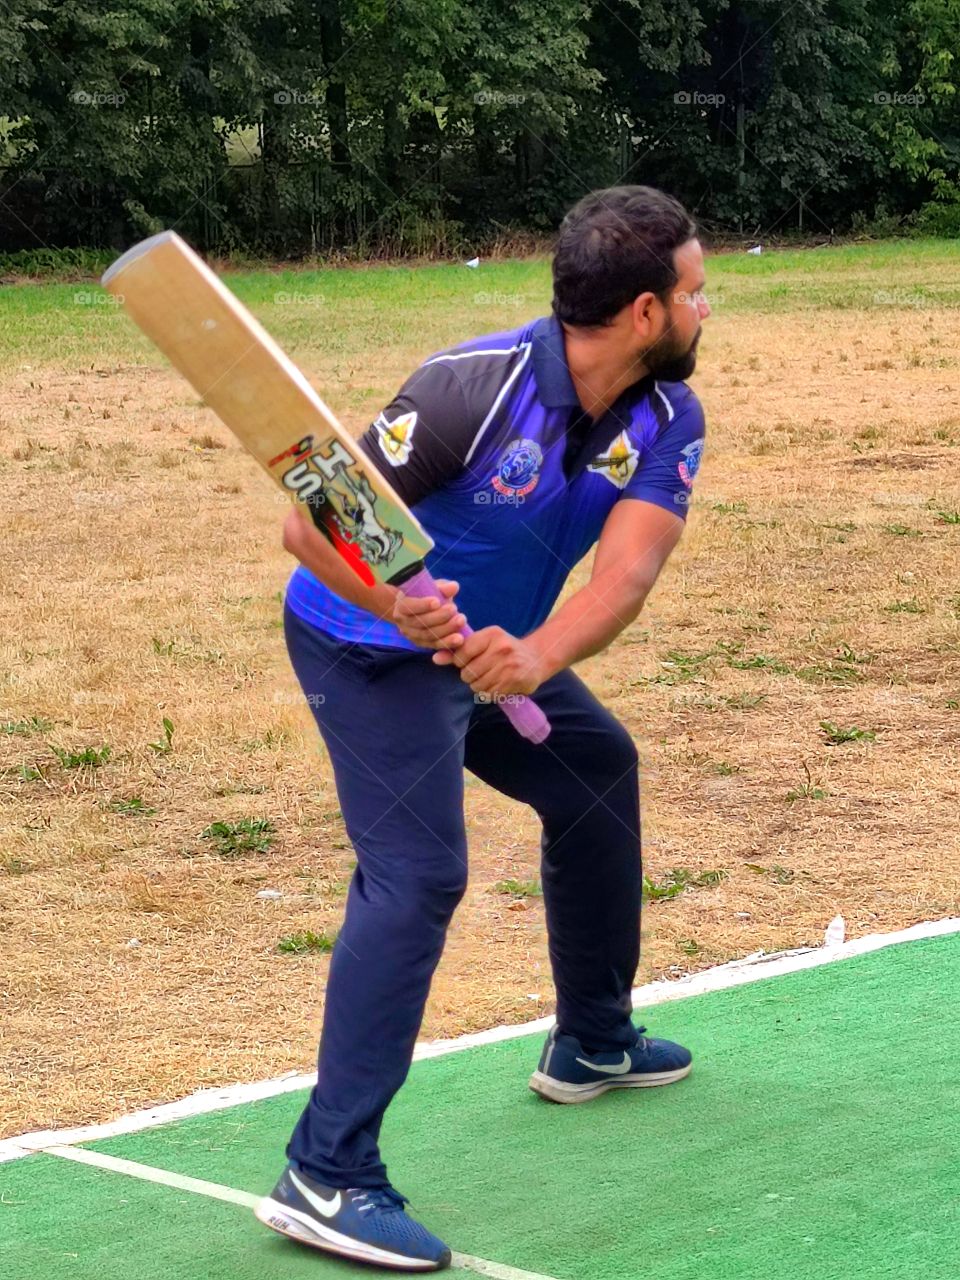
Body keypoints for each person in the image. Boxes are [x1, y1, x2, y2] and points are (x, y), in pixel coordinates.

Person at [255, 184, 710, 1272]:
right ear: (646, 311)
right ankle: (327, 1171)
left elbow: (626, 575)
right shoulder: (466, 389)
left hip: (490, 648)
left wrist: (535, 657)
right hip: (367, 651)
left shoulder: (666, 414)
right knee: (417, 875)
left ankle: (592, 1038)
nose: (709, 310)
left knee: (594, 769)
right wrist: (392, 604)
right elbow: (309, 525)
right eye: (698, 292)